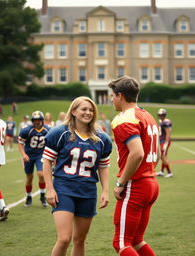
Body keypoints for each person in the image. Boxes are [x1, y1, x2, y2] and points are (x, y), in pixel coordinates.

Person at [43, 96, 112, 256]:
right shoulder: (60, 133)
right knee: (64, 238)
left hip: (87, 192)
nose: (88, 113)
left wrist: (105, 191)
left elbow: (103, 167)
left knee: (79, 240)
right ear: (73, 111)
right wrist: (50, 189)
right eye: (84, 109)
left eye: (90, 110)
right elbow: (47, 162)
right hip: (64, 190)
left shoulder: (102, 138)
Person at [108, 76, 159, 256]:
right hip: (150, 183)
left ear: (120, 95)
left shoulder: (124, 118)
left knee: (121, 243)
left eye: (112, 95)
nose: (111, 99)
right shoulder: (148, 116)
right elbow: (157, 154)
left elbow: (137, 153)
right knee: (136, 240)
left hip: (135, 185)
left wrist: (121, 182)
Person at [18, 111, 50, 207]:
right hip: (29, 156)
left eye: (39, 120)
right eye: (35, 120)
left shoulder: (48, 130)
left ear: (42, 120)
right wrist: (23, 154)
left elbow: (52, 143)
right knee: (29, 177)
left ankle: (42, 195)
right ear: (32, 121)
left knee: (41, 174)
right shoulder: (27, 130)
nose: (37, 122)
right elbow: (20, 143)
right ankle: (28, 197)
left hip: (41, 155)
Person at [156, 108, 173, 178]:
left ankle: (169, 172)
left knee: (162, 156)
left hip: (164, 141)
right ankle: (162, 171)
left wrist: (166, 143)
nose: (161, 116)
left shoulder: (166, 122)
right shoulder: (161, 121)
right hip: (161, 141)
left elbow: (168, 133)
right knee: (163, 156)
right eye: (159, 115)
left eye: (162, 115)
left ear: (164, 115)